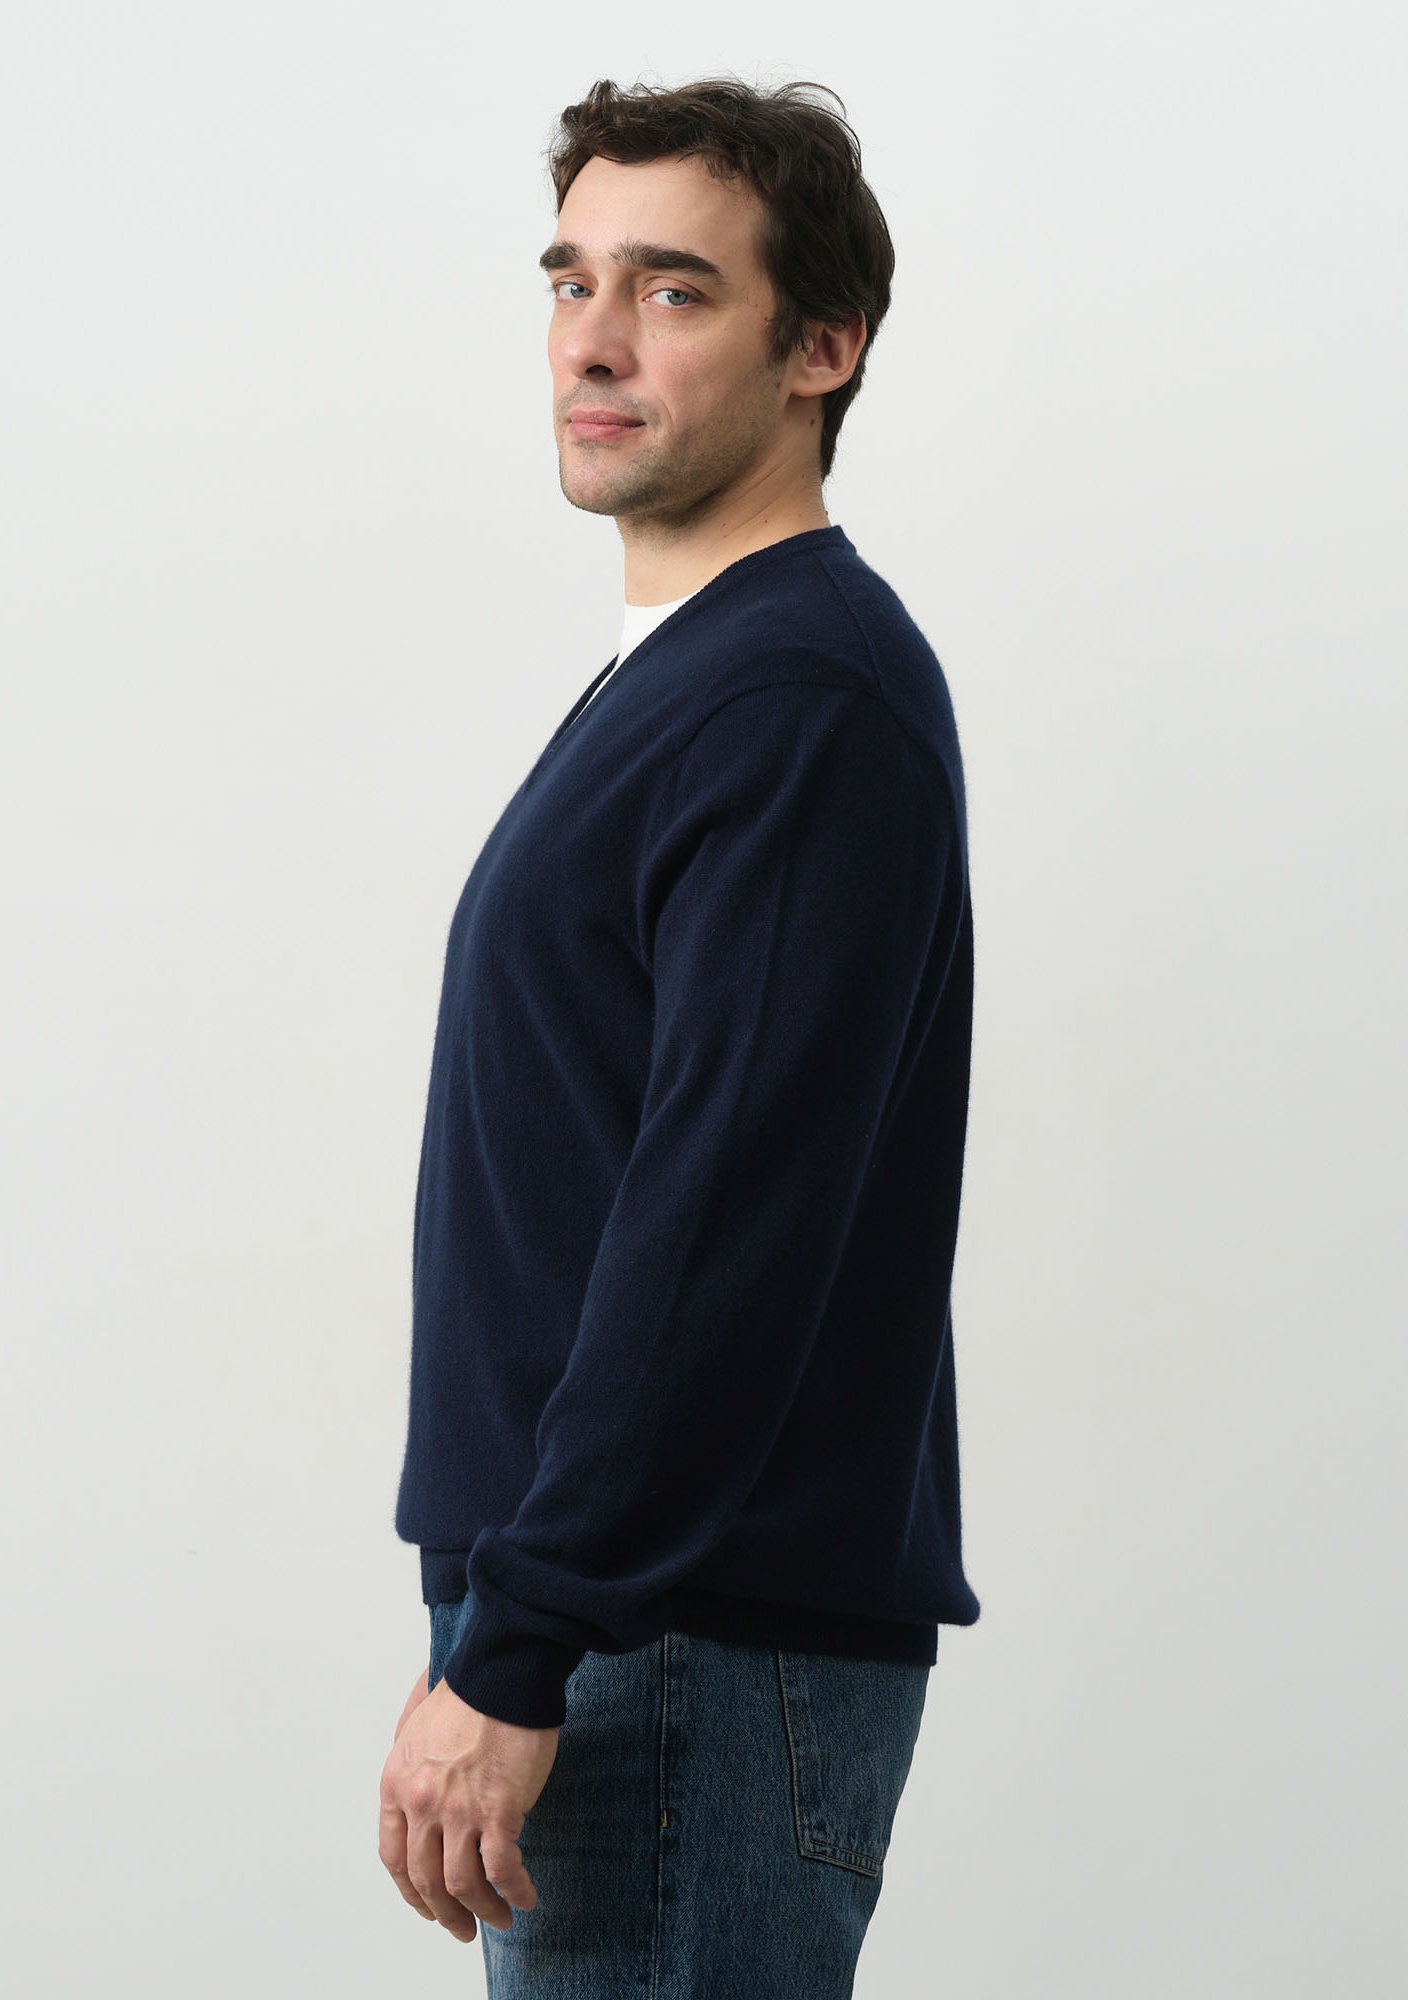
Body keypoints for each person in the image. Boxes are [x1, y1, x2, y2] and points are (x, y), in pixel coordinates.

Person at [378, 74, 981, 1997]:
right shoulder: (705, 678)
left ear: (824, 347)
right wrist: (512, 1613)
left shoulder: (800, 698)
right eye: (571, 281)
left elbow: (724, 1221)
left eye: (673, 289)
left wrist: (522, 1639)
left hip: (673, 1648)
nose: (594, 339)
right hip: (623, 1626)